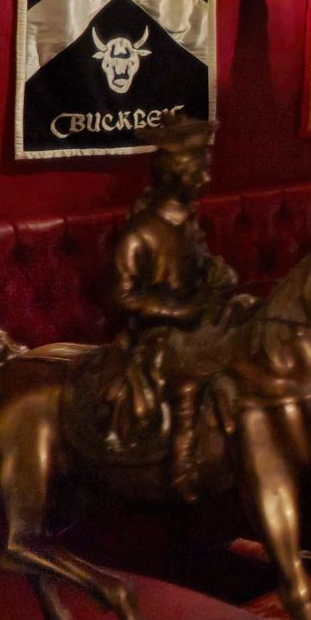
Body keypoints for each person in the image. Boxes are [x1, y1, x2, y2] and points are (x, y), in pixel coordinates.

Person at [104, 118, 245, 495]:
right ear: (175, 175)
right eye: (199, 171)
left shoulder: (188, 224)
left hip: (197, 324)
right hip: (158, 337)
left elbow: (198, 271)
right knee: (190, 382)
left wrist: (217, 276)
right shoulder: (141, 232)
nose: (206, 179)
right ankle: (184, 469)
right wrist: (176, 312)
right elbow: (123, 296)